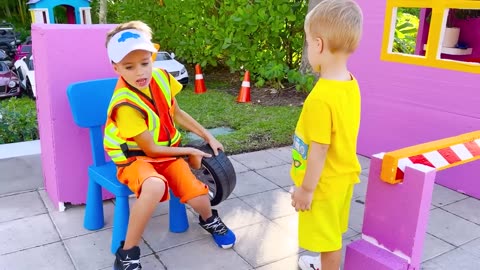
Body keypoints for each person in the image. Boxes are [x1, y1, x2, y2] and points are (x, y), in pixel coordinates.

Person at [103, 21, 236, 270]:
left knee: (198, 196)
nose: (140, 72)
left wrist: (208, 137)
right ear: (116, 67)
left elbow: (176, 112)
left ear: (153, 57)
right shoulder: (125, 105)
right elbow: (150, 150)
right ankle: (127, 253)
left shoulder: (162, 78)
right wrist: (189, 151)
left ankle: (209, 220)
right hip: (136, 159)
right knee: (154, 186)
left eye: (145, 63)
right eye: (129, 67)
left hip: (167, 155)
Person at [289, 1, 363, 270]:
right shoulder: (350, 83)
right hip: (342, 177)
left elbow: (319, 149)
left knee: (328, 240)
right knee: (333, 231)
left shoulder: (320, 98)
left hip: (322, 184)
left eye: (308, 42)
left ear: (318, 45)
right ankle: (322, 264)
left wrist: (305, 190)